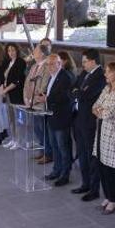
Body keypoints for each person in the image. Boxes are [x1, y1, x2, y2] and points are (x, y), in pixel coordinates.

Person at [92, 62, 115, 215]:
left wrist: (101, 111)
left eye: (108, 72)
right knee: (101, 166)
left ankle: (114, 200)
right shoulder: (107, 89)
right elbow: (95, 106)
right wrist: (100, 110)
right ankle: (107, 196)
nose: (105, 74)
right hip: (101, 132)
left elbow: (107, 114)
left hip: (114, 135)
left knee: (113, 170)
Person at [70, 49, 105, 201]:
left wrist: (79, 92)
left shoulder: (100, 76)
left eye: (84, 61)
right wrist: (78, 91)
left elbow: (86, 95)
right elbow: (73, 88)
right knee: (82, 154)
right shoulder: (85, 73)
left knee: (91, 156)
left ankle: (94, 188)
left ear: (92, 61)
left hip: (90, 121)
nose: (82, 64)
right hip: (79, 118)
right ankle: (85, 183)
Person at [37, 54, 73, 186]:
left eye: (52, 64)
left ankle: (65, 174)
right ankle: (56, 170)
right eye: (47, 64)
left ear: (59, 64)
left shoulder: (65, 77)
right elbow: (52, 94)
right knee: (55, 146)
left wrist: (47, 99)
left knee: (63, 147)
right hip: (51, 116)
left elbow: (66, 97)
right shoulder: (52, 77)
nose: (49, 66)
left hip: (61, 118)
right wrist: (45, 96)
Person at [22, 44, 52, 163]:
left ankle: (48, 153)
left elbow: (43, 86)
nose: (33, 52)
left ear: (42, 53)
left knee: (42, 129)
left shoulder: (46, 67)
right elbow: (26, 82)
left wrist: (33, 98)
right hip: (30, 103)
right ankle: (42, 150)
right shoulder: (34, 65)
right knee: (36, 129)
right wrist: (26, 97)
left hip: (39, 103)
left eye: (35, 50)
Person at [0, 44, 26, 147]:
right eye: (9, 50)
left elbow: (17, 80)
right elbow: (4, 77)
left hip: (17, 94)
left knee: (18, 119)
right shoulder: (8, 62)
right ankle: (13, 138)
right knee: (10, 118)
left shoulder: (20, 62)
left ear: (17, 51)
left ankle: (19, 141)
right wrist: (3, 87)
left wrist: (5, 89)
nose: (11, 52)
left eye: (13, 50)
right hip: (8, 94)